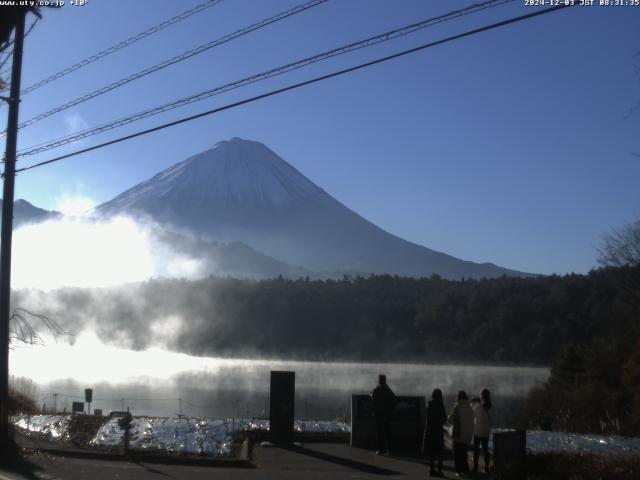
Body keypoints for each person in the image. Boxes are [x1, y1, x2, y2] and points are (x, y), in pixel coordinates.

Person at [448, 390, 474, 475]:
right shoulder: (470, 407)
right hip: (468, 434)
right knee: (464, 453)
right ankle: (465, 470)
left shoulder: (457, 407)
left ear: (458, 398)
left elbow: (450, 420)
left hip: (458, 434)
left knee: (457, 454)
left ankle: (458, 471)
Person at [422, 388, 447, 477]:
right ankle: (439, 470)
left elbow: (427, 418)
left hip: (430, 431)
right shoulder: (441, 406)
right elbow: (444, 418)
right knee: (440, 452)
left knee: (432, 452)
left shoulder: (429, 405)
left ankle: (432, 470)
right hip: (438, 431)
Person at [371, 373, 395, 455]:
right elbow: (393, 397)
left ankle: (380, 449)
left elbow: (372, 396)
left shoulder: (377, 389)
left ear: (380, 380)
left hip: (379, 413)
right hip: (387, 413)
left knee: (379, 432)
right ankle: (389, 449)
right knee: (387, 431)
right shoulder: (387, 389)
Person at [472, 388, 492, 473]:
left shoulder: (478, 407)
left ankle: (475, 467)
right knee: (485, 450)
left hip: (477, 431)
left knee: (476, 450)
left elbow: (473, 416)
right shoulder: (491, 406)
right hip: (486, 431)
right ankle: (486, 467)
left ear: (481, 396)